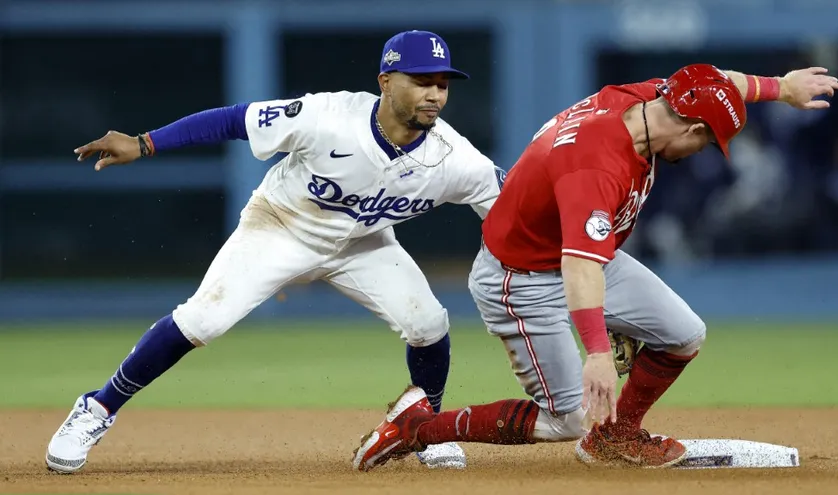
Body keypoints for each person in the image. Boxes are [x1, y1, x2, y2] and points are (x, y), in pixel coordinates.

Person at [45, 29, 505, 474]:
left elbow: (511, 206)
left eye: (442, 84)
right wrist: (144, 143)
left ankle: (425, 428)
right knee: (202, 321)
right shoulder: (327, 117)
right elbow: (233, 120)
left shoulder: (454, 158)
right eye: (422, 81)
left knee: (428, 323)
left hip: (361, 244)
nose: (434, 94)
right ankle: (97, 407)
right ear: (385, 82)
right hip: (281, 227)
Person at [352, 64, 838, 471]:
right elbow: (578, 266)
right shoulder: (598, 164)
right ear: (694, 130)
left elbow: (716, 81)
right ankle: (418, 427)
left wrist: (781, 88)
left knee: (683, 334)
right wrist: (599, 352)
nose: (702, 152)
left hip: (577, 253)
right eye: (708, 143)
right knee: (565, 419)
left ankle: (616, 437)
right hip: (521, 277)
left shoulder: (650, 98)